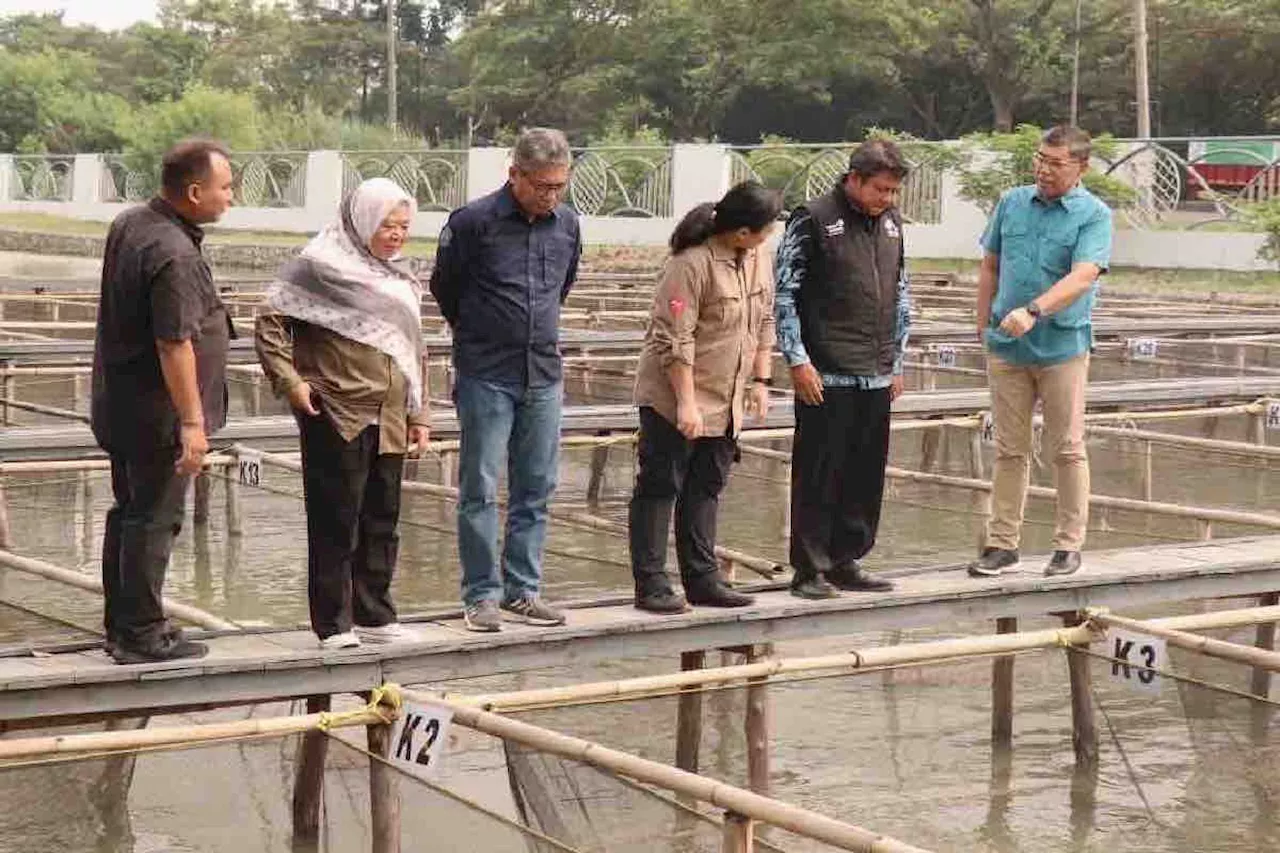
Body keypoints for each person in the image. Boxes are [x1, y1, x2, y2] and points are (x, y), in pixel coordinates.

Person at [255, 178, 429, 650]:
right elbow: (270, 321)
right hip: (336, 409)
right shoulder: (318, 267)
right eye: (387, 225)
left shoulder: (398, 276)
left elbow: (415, 351)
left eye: (403, 226)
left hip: (390, 414)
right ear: (362, 222)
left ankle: (375, 613)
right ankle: (333, 623)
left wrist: (420, 414)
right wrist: (291, 383)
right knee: (336, 519)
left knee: (382, 517)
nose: (395, 235)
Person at [430, 127, 581, 633]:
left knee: (537, 485)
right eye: (541, 185)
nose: (551, 195)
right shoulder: (473, 223)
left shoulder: (567, 226)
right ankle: (480, 595)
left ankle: (523, 589)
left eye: (559, 186)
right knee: (480, 485)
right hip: (486, 373)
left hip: (543, 372)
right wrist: (482, 334)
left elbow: (562, 287)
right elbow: (446, 289)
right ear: (514, 174)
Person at [91, 138, 235, 664]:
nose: (231, 197)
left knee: (129, 512)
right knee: (153, 518)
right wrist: (193, 423)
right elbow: (174, 342)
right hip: (157, 414)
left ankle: (122, 625)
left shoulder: (132, 223)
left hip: (121, 403)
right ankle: (143, 632)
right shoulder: (171, 252)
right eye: (225, 188)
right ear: (194, 193)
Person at [629, 182, 782, 613]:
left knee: (707, 486)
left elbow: (765, 318)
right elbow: (674, 338)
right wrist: (686, 403)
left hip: (727, 395)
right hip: (673, 396)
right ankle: (652, 584)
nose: (768, 238)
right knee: (661, 484)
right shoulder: (690, 265)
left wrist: (760, 381)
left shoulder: (758, 260)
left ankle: (702, 577)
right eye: (765, 231)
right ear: (740, 232)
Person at [967, 125, 1112, 579]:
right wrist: (982, 321)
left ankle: (1068, 545)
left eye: (1055, 163)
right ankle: (1002, 544)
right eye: (1040, 160)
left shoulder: (1094, 214)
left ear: (1081, 167)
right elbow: (990, 263)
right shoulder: (1012, 202)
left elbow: (1084, 275)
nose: (1044, 170)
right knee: (1010, 448)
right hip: (1007, 346)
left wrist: (1034, 310)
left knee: (1066, 448)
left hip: (1062, 345)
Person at [774, 140, 911, 600]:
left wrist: (898, 358)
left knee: (863, 471)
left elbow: (901, 290)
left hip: (876, 369)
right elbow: (785, 292)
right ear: (853, 178)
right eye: (880, 189)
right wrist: (797, 359)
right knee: (819, 469)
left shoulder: (892, 224)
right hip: (825, 370)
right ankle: (809, 567)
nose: (887, 199)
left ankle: (846, 558)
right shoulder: (812, 218)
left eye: (893, 192)